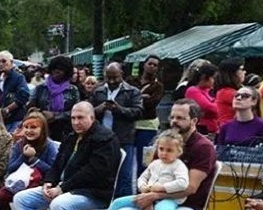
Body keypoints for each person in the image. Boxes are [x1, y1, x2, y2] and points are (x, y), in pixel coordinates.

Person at [13, 102, 120, 210]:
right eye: (73, 118)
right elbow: (57, 165)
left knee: (59, 205)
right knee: (21, 198)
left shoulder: (105, 139)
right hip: (64, 188)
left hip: (92, 193)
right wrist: (48, 183)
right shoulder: (71, 137)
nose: (76, 122)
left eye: (81, 118)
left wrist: (62, 188)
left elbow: (92, 172)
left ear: (92, 117)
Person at [0, 112, 60, 210]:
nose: (29, 130)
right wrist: (24, 156)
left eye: (34, 127)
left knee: (26, 198)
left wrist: (35, 159)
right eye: (26, 127)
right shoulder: (19, 145)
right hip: (18, 182)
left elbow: (53, 171)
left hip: (39, 185)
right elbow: (10, 168)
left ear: (42, 129)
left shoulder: (49, 145)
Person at [91, 62, 143, 198]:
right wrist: (99, 109)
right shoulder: (97, 91)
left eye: (115, 77)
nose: (112, 81)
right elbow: (87, 112)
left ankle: (123, 205)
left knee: (125, 175)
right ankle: (103, 202)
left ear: (122, 75)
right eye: (109, 77)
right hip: (101, 139)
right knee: (101, 173)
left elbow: (138, 112)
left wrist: (118, 109)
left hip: (124, 138)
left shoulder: (133, 91)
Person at [27, 55, 80, 141]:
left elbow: (76, 111)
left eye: (60, 69)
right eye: (54, 68)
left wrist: (55, 116)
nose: (56, 71)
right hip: (43, 131)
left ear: (67, 72)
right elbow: (31, 108)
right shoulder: (40, 89)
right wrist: (40, 113)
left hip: (66, 132)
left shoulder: (73, 90)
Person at [132, 55, 164, 178]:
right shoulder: (132, 81)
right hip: (130, 124)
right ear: (144, 64)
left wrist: (136, 98)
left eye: (155, 65)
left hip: (148, 125)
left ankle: (142, 186)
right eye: (150, 63)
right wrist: (142, 97)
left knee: (144, 159)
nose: (152, 66)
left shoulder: (158, 86)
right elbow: (126, 100)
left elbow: (151, 104)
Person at [184, 62, 220, 136]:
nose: (215, 81)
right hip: (201, 131)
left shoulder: (209, 91)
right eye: (213, 78)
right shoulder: (193, 91)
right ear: (205, 77)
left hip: (213, 130)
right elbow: (212, 108)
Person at [213, 57, 245, 126]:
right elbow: (253, 100)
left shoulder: (227, 91)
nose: (244, 72)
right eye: (241, 69)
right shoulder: (227, 92)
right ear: (233, 74)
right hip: (231, 131)